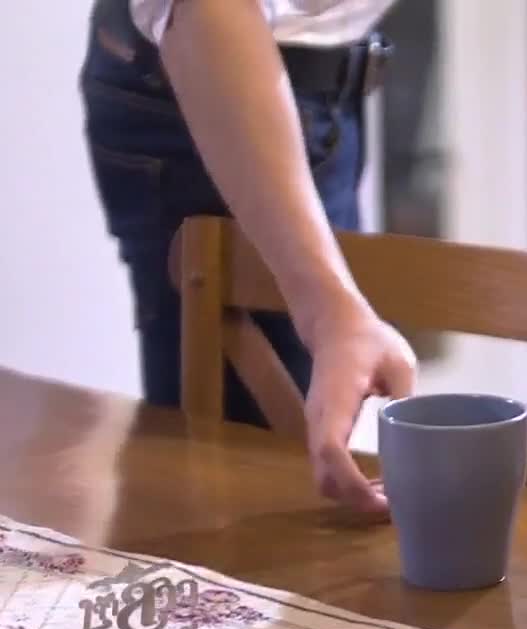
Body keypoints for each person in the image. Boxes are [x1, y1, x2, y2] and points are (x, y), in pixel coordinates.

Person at [80, 0, 417, 515]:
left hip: (327, 81)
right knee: (237, 507)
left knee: (295, 463)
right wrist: (329, 311)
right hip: (220, 69)